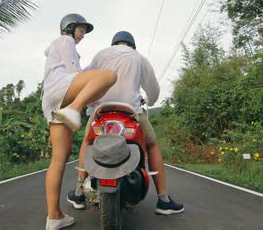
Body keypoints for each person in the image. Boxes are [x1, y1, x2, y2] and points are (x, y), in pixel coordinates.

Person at [66, 31, 184, 215]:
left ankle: (79, 193)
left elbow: (84, 80)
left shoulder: (101, 55)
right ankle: (163, 200)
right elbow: (153, 89)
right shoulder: (139, 58)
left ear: (114, 43)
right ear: (132, 45)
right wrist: (150, 102)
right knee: (152, 146)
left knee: (87, 143)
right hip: (132, 113)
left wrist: (90, 103)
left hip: (101, 112)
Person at [42, 14, 117, 230]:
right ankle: (74, 111)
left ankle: (54, 216)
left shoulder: (55, 48)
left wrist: (92, 97)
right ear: (70, 27)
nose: (83, 35)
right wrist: (82, 101)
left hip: (51, 99)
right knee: (109, 76)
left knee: (59, 159)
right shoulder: (65, 42)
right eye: (81, 30)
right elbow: (75, 75)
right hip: (62, 93)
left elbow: (79, 82)